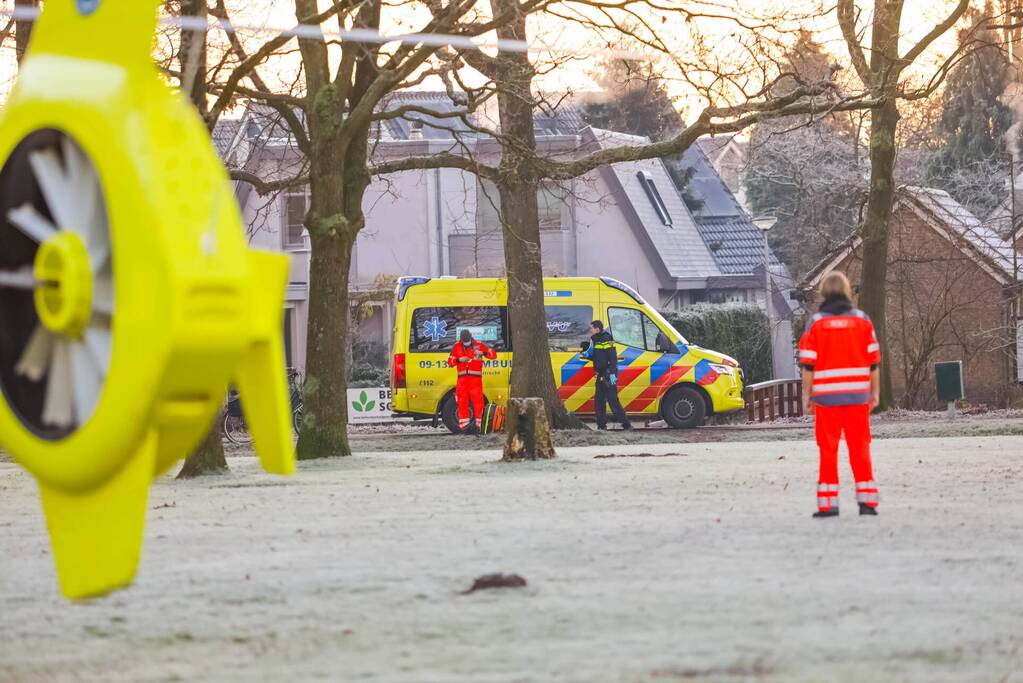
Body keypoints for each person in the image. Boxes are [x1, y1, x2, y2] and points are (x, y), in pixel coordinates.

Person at [798, 271, 881, 518]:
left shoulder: (816, 323)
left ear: (823, 292)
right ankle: (867, 503)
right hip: (857, 397)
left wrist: (807, 395)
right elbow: (873, 362)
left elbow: (808, 365)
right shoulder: (863, 320)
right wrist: (874, 392)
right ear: (847, 291)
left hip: (826, 399)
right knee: (860, 449)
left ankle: (828, 505)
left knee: (828, 450)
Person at [581, 320, 633, 431]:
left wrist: (613, 374)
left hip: (609, 375)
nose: (590, 330)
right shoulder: (594, 339)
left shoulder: (607, 338)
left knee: (613, 401)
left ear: (597, 329)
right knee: (599, 402)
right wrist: (587, 355)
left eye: (591, 328)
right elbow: (597, 357)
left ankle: (626, 425)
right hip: (599, 375)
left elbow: (613, 358)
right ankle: (601, 426)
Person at [447, 329, 496, 434]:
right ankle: (464, 427)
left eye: (467, 340)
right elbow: (450, 362)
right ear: (461, 339)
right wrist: (459, 360)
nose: (466, 342)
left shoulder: (479, 345)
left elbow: (493, 355)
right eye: (464, 341)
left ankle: (479, 426)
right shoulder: (456, 347)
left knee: (478, 403)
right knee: (462, 403)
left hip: (475, 380)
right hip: (462, 380)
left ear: (470, 337)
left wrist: (483, 353)